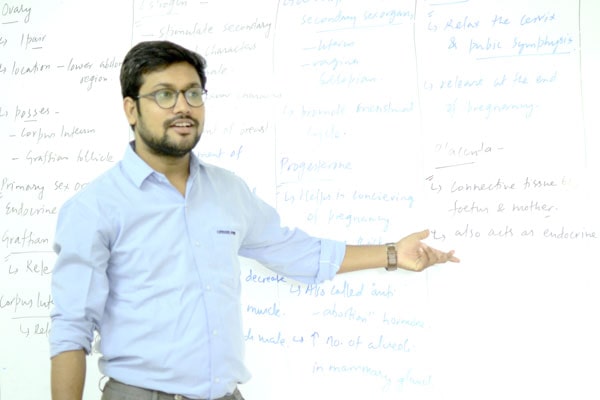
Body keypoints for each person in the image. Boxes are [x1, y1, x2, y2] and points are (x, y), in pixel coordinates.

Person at [49, 40, 459, 400]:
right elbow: (72, 328)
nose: (183, 107)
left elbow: (296, 252)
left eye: (193, 93)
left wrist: (393, 253)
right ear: (131, 109)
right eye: (164, 95)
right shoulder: (94, 207)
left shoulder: (228, 191)